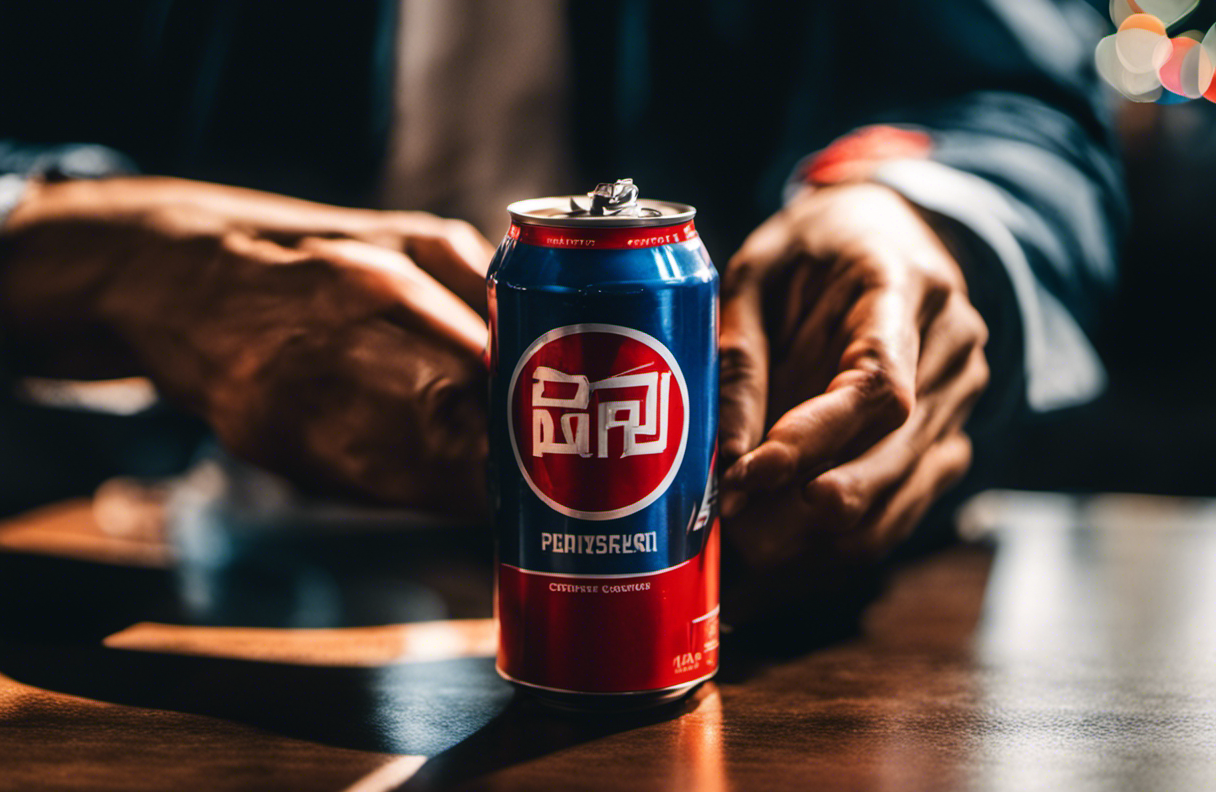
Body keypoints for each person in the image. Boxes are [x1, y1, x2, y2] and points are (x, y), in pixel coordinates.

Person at [0, 1, 1124, 594]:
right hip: (121, 560)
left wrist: (914, 214)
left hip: (755, 593)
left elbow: (1015, 102)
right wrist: (63, 238)